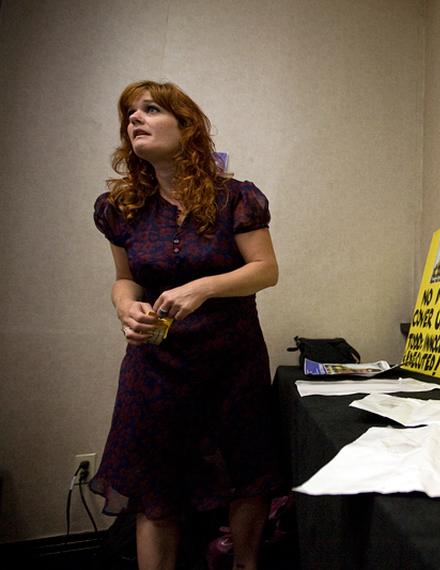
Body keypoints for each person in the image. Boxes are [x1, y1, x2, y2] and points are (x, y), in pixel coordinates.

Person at [90, 80, 282, 570]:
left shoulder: (235, 198)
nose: (135, 118)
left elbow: (265, 270)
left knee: (245, 473)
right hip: (154, 367)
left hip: (230, 362)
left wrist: (203, 287)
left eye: (150, 109)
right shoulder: (121, 207)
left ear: (187, 125)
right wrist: (124, 307)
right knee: (157, 488)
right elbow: (124, 280)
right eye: (129, 113)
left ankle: (245, 564)